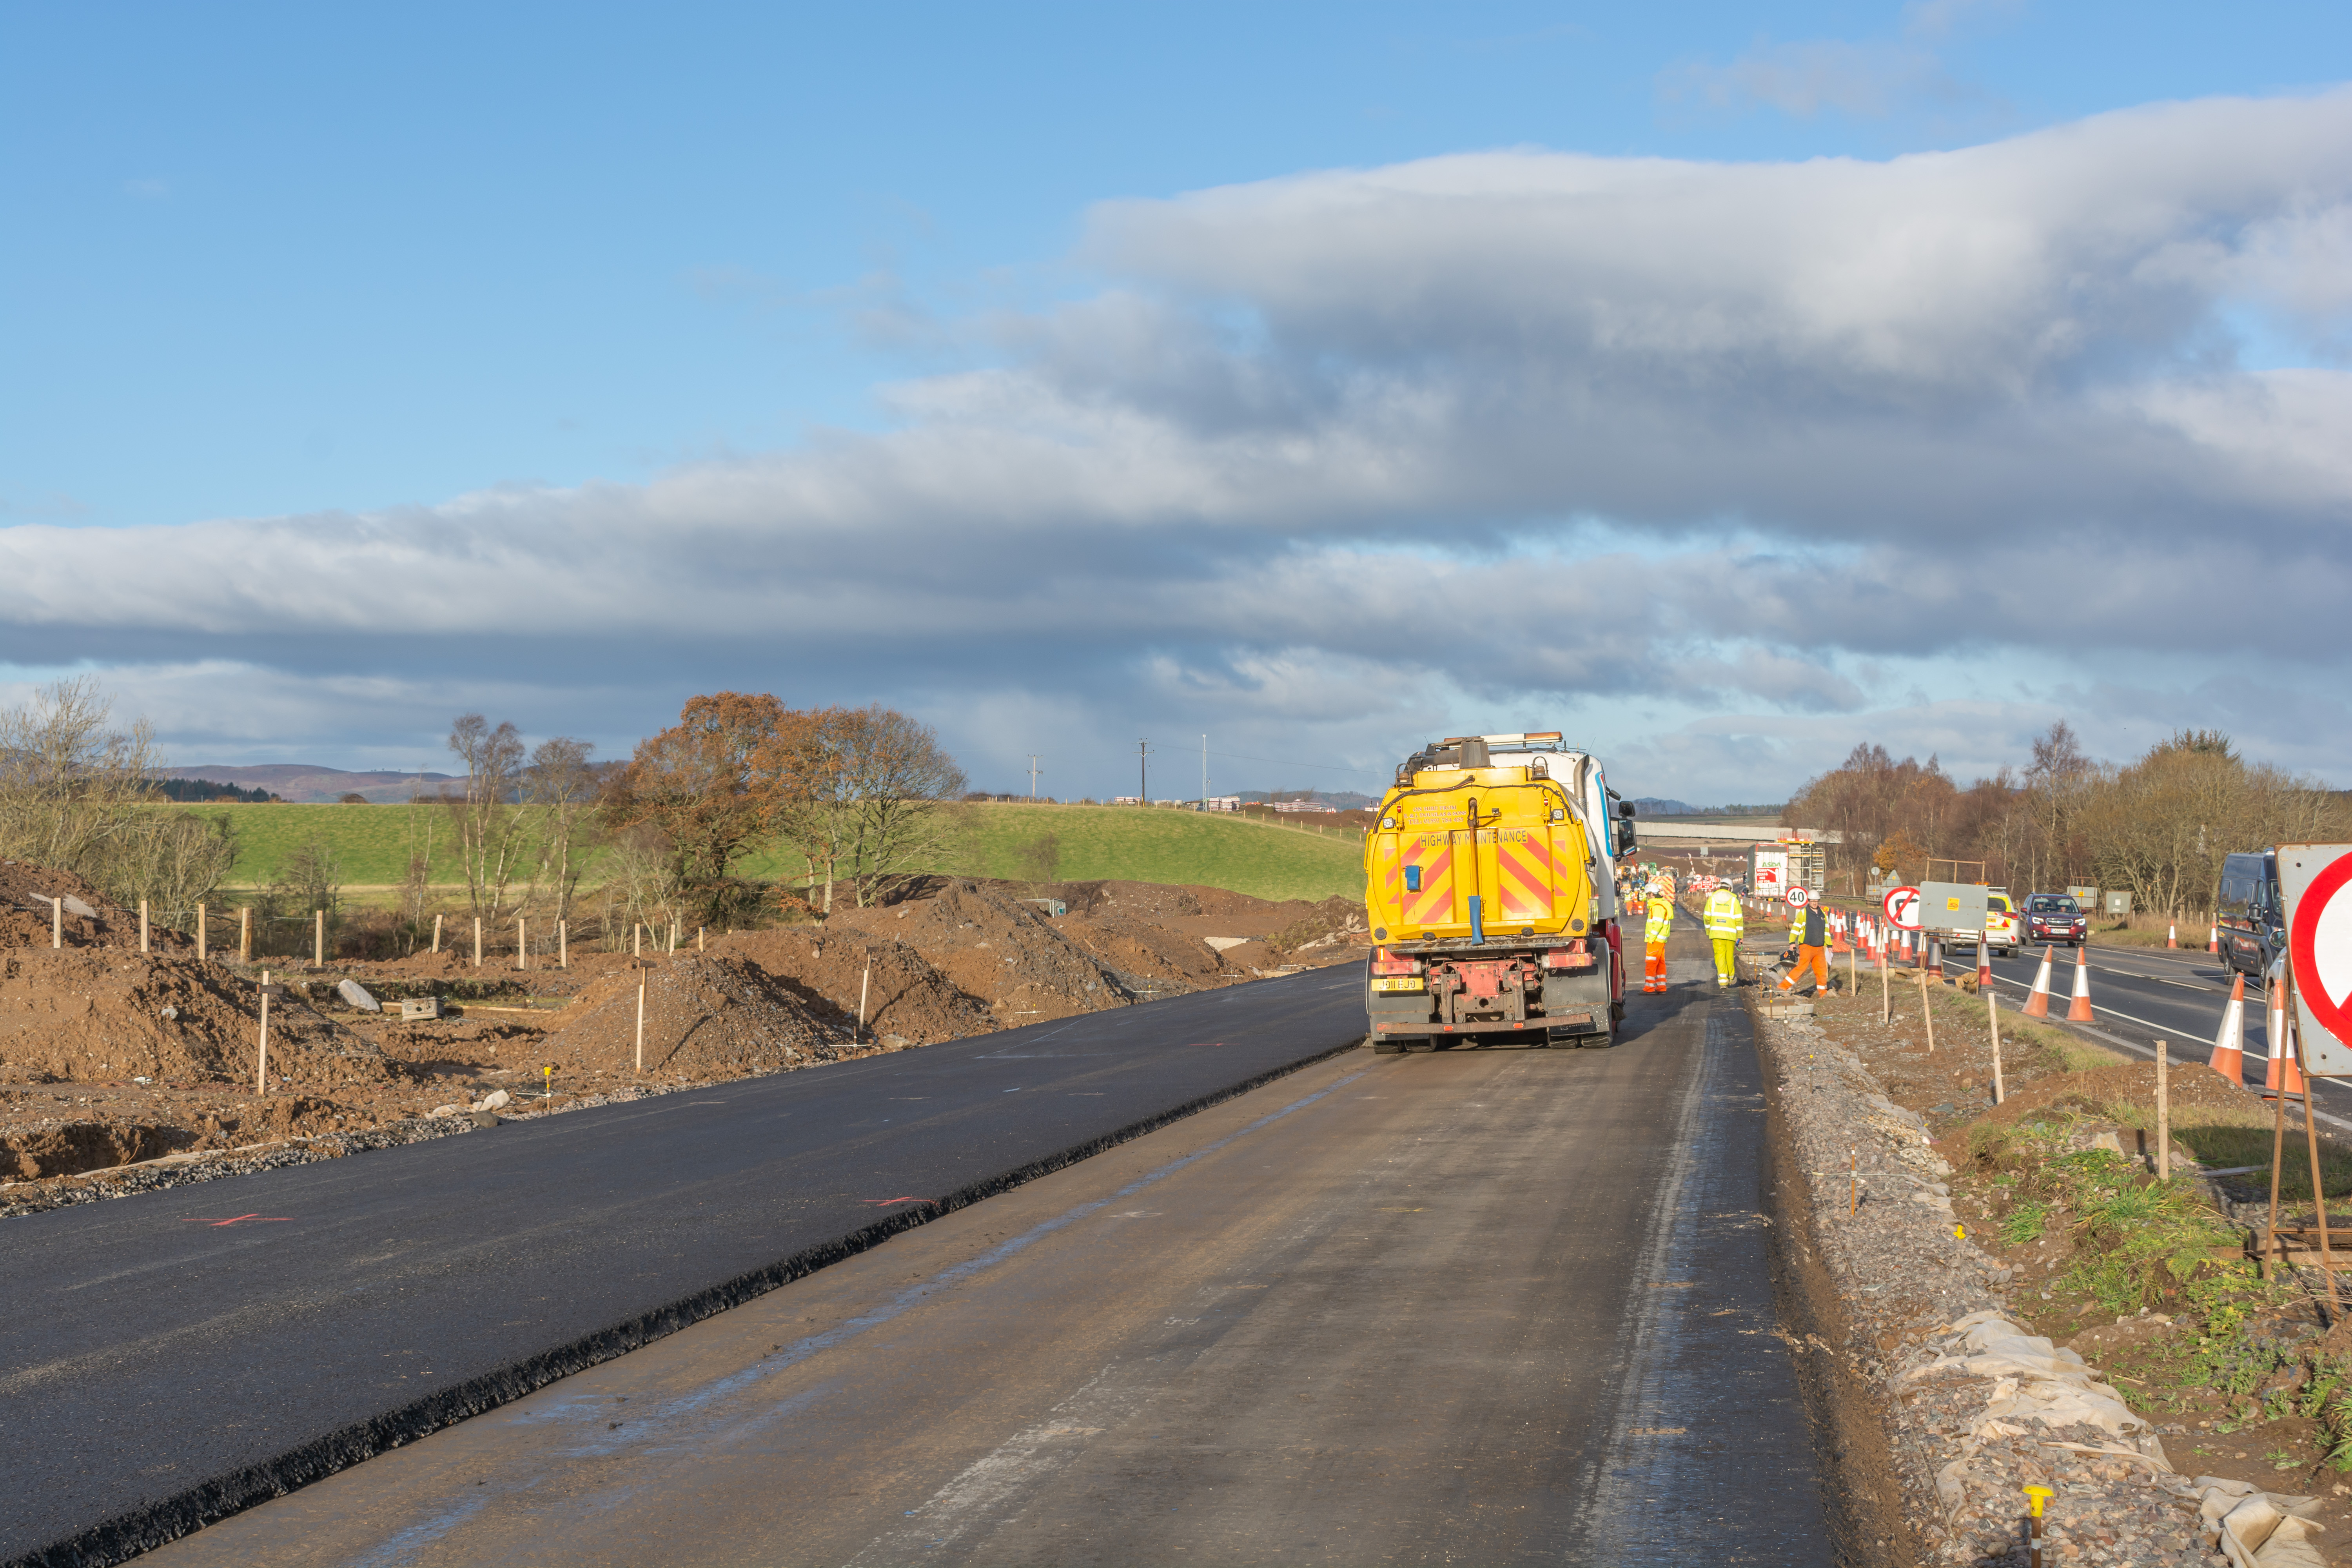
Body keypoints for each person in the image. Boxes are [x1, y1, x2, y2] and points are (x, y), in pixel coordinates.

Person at [1780, 901, 1831, 996]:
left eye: (1816, 901)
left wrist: (1829, 945)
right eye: (1813, 901)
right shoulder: (1803, 913)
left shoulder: (1823, 914)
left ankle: (1823, 994)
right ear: (1809, 902)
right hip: (1806, 947)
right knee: (1801, 968)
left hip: (1819, 948)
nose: (1815, 903)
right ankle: (1783, 986)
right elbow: (1796, 929)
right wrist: (1792, 942)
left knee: (1821, 971)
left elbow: (1826, 931)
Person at [1703, 882, 1745, 987]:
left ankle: (1723, 982)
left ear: (1720, 887)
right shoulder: (1734, 900)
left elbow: (1707, 917)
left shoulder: (1712, 899)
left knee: (1720, 956)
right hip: (1730, 934)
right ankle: (1731, 978)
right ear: (1730, 888)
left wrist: (1709, 931)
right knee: (1729, 956)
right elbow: (1739, 920)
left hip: (1716, 933)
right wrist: (1740, 936)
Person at [1643, 884, 1675, 993]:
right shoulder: (1662, 905)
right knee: (1660, 962)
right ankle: (1661, 987)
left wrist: (1651, 938)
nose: (1647, 897)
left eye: (1648, 895)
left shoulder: (1657, 907)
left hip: (1656, 940)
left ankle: (1649, 988)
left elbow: (1658, 925)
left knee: (1651, 963)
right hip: (1661, 939)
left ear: (1652, 894)